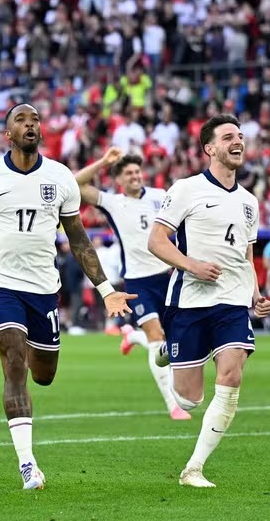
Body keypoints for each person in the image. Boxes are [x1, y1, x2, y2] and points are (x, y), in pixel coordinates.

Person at [0, 103, 136, 490]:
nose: (30, 124)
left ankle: (35, 365)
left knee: (45, 374)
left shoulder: (60, 177)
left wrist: (106, 290)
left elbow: (79, 239)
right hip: (0, 281)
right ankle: (27, 463)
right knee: (13, 358)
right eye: (21, 120)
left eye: (35, 119)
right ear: (8, 134)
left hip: (43, 287)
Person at [147, 114, 270, 488]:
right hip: (188, 299)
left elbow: (246, 258)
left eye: (241, 136)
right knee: (189, 399)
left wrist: (256, 295)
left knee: (231, 377)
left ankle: (194, 469)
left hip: (232, 301)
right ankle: (170, 349)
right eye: (228, 137)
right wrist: (193, 265)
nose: (238, 142)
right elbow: (156, 241)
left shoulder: (250, 202)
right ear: (210, 148)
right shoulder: (186, 189)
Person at [75, 149, 190, 421]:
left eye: (137, 171)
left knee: (176, 341)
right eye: (128, 173)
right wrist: (103, 161)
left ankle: (132, 336)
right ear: (119, 179)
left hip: (168, 276)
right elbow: (75, 185)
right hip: (139, 280)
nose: (135, 176)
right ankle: (173, 404)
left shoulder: (161, 196)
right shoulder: (113, 202)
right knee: (157, 339)